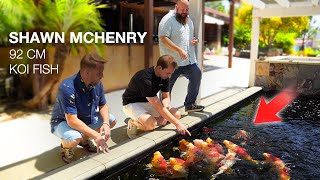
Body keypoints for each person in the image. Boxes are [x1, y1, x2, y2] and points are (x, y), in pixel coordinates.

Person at [50, 53, 117, 163]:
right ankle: (65, 146)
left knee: (111, 120)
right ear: (87, 72)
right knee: (74, 138)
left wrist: (105, 123)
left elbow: (103, 105)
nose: (102, 76)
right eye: (99, 73)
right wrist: (96, 135)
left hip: (85, 119)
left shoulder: (97, 84)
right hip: (63, 122)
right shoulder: (67, 87)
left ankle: (84, 140)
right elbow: (72, 120)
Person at [122, 55, 191, 138]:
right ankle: (133, 123)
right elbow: (159, 107)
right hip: (132, 103)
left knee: (176, 115)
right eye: (168, 73)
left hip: (149, 102)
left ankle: (152, 119)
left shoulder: (164, 76)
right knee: (151, 124)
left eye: (171, 73)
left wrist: (166, 109)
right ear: (159, 68)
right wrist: (177, 124)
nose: (169, 76)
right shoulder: (145, 78)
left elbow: (166, 97)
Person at [158, 0, 205, 113]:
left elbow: (190, 37)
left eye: (187, 9)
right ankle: (163, 110)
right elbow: (163, 38)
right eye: (182, 9)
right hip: (172, 62)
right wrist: (179, 50)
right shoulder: (167, 20)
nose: (185, 12)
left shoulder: (189, 21)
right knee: (167, 87)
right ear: (176, 7)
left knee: (196, 74)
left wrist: (195, 40)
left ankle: (190, 104)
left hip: (188, 61)